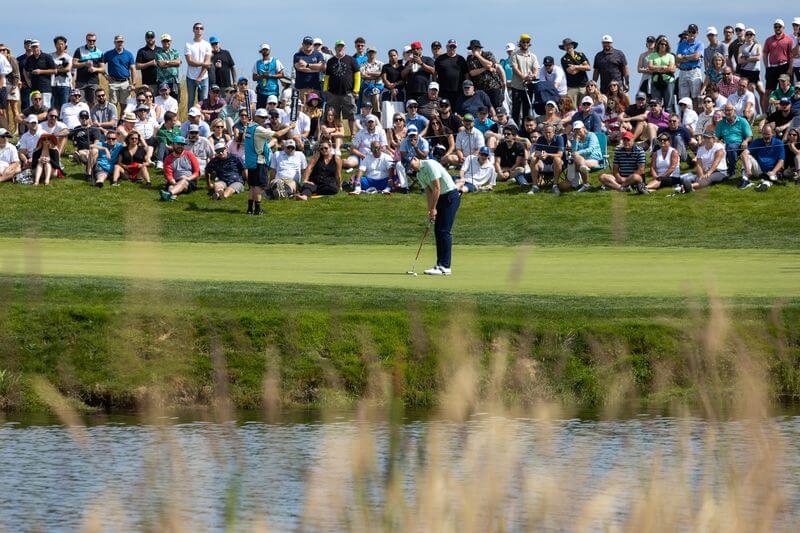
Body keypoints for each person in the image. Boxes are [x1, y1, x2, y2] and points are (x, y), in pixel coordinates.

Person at [403, 157, 460, 276]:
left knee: (444, 231)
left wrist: (434, 208)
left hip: (450, 196)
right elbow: (429, 192)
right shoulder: (419, 175)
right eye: (408, 166)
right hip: (440, 198)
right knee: (438, 231)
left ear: (415, 159)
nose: (410, 167)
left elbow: (437, 188)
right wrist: (430, 210)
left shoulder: (430, 164)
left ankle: (445, 266)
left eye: (410, 163)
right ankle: (440, 265)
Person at [324, 40, 360, 135]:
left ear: (344, 48)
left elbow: (357, 75)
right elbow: (327, 77)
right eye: (338, 47)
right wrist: (325, 90)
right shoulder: (330, 61)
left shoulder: (351, 60)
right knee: (333, 114)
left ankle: (352, 135)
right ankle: (336, 134)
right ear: (335, 48)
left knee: (351, 115)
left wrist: (356, 90)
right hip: (333, 93)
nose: (340, 48)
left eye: (342, 47)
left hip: (348, 93)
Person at [763, 19, 794, 114]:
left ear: (783, 28)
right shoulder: (769, 40)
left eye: (779, 26)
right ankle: (766, 113)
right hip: (772, 67)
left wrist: (790, 68)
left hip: (784, 66)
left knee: (787, 88)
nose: (777, 28)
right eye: (775, 26)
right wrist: (767, 67)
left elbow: (791, 55)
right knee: (768, 91)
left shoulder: (788, 40)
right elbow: (765, 53)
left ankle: (790, 110)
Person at [508, 34, 539, 124]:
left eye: (527, 42)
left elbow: (536, 68)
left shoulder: (533, 56)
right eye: (523, 42)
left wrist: (533, 76)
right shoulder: (515, 54)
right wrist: (523, 76)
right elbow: (514, 68)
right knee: (516, 110)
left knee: (527, 110)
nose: (525, 43)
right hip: (517, 86)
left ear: (529, 44)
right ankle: (514, 130)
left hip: (528, 86)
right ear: (520, 43)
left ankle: (525, 130)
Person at [742, 125, 784, 191]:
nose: (766, 136)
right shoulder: (757, 141)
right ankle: (745, 180)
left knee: (771, 178)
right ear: (761, 133)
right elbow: (744, 153)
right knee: (746, 156)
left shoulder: (779, 143)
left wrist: (773, 171)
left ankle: (765, 184)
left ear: (773, 133)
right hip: (759, 170)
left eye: (768, 134)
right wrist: (748, 169)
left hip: (771, 171)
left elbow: (781, 160)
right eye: (764, 134)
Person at [100, 35, 136, 112]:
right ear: (114, 42)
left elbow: (133, 69)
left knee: (125, 106)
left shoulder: (129, 54)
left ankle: (122, 122)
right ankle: (113, 123)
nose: (120, 43)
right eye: (118, 42)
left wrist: (133, 83)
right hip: (113, 83)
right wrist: (106, 76)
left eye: (121, 42)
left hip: (125, 83)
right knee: (113, 106)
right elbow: (101, 66)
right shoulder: (108, 54)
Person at [716, 103, 752, 179]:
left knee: (731, 147)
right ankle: (718, 171)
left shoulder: (742, 121)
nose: (727, 112)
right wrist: (717, 142)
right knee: (716, 147)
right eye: (726, 110)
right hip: (725, 145)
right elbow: (716, 137)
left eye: (729, 110)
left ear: (734, 111)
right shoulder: (721, 123)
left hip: (739, 144)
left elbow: (750, 136)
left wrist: (745, 141)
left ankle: (732, 171)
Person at [466, 40, 505, 110]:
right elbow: (472, 73)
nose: (473, 50)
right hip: (480, 89)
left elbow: (490, 64)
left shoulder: (488, 54)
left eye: (475, 48)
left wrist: (478, 56)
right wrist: (485, 69)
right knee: (483, 109)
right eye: (472, 48)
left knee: (497, 107)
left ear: (479, 48)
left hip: (493, 87)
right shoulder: (469, 59)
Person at [528, 124, 564, 194]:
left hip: (554, 164)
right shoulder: (540, 139)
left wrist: (547, 154)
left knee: (557, 159)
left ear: (554, 133)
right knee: (534, 159)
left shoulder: (559, 138)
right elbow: (536, 153)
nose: (547, 134)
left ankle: (555, 186)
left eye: (549, 132)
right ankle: (535, 186)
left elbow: (560, 154)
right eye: (545, 132)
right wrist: (541, 155)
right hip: (543, 163)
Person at [162, 136, 200, 201]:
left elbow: (197, 172)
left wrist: (188, 178)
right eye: (178, 144)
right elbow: (169, 175)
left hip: (188, 180)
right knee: (171, 186)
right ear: (173, 144)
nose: (180, 146)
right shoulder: (168, 158)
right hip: (175, 180)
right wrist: (174, 182)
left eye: (182, 145)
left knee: (183, 182)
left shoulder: (189, 155)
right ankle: (172, 197)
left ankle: (169, 194)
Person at [566, 121, 602, 192]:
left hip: (595, 159)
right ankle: (577, 184)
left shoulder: (591, 135)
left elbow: (590, 149)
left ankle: (581, 184)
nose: (577, 131)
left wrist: (578, 153)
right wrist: (576, 141)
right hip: (581, 160)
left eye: (579, 129)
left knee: (575, 162)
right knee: (576, 161)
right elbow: (573, 152)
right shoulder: (575, 138)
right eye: (575, 130)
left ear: (583, 128)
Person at [184, 22, 212, 110]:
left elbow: (207, 62)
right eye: (196, 28)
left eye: (201, 28)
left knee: (204, 101)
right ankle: (190, 120)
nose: (199, 30)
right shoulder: (188, 44)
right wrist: (203, 64)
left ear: (203, 30)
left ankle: (203, 121)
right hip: (191, 77)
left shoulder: (207, 44)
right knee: (191, 100)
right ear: (193, 30)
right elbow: (189, 61)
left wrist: (200, 77)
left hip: (204, 77)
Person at [675, 24, 705, 109]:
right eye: (690, 31)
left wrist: (684, 57)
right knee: (683, 99)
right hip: (683, 71)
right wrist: (690, 57)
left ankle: (695, 117)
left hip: (694, 71)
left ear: (697, 33)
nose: (691, 33)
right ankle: (685, 117)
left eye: (693, 32)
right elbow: (677, 58)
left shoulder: (700, 44)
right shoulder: (682, 44)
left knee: (695, 97)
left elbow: (696, 57)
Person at [68, 110, 103, 180]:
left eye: (86, 117)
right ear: (79, 119)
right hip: (81, 151)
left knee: (91, 153)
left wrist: (89, 150)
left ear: (89, 118)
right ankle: (92, 167)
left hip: (91, 150)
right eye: (82, 117)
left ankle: (88, 173)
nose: (84, 119)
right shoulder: (76, 129)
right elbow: (73, 140)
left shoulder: (94, 129)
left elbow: (97, 142)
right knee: (81, 153)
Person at [23, 40, 57, 108]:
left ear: (39, 47)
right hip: (33, 88)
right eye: (33, 47)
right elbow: (25, 70)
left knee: (45, 107)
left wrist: (41, 71)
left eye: (36, 47)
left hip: (45, 88)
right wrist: (28, 80)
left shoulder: (47, 57)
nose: (35, 49)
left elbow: (54, 70)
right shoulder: (29, 59)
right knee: (33, 108)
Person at [72, 33, 103, 106]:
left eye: (93, 40)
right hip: (81, 81)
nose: (92, 42)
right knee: (80, 103)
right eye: (90, 40)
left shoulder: (99, 52)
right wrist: (84, 63)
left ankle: (92, 117)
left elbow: (102, 69)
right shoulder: (79, 50)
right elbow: (74, 64)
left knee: (94, 103)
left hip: (93, 81)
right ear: (86, 40)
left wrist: (95, 69)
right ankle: (82, 117)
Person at [738, 29, 764, 113]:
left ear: (754, 36)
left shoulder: (757, 46)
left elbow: (758, 58)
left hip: (755, 72)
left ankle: (763, 112)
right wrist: (751, 59)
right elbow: (739, 60)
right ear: (745, 36)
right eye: (747, 34)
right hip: (745, 71)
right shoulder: (741, 47)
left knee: (762, 92)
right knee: (750, 90)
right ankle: (754, 112)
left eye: (751, 34)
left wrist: (745, 58)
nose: (749, 36)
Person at [294, 36, 326, 104]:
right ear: (302, 44)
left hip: (315, 88)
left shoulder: (318, 55)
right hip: (301, 88)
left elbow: (321, 66)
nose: (307, 45)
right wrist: (316, 69)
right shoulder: (297, 55)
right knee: (302, 110)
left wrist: (307, 65)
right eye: (306, 43)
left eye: (309, 43)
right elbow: (300, 68)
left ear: (312, 45)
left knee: (314, 111)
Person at [434, 39, 467, 105]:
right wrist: (436, 85)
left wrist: (465, 86)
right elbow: (434, 73)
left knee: (457, 110)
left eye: (454, 47)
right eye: (450, 46)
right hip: (443, 91)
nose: (452, 48)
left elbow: (466, 74)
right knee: (444, 109)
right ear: (446, 47)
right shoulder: (440, 59)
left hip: (458, 91)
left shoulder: (461, 59)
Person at [252, 43, 284, 109]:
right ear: (260, 51)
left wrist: (270, 76)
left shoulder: (276, 61)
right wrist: (262, 76)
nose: (265, 51)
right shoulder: (257, 63)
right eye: (263, 50)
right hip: (262, 92)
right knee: (261, 110)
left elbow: (281, 74)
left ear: (269, 51)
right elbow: (254, 77)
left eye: (266, 49)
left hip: (273, 91)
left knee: (273, 111)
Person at [560, 38, 590, 106]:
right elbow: (572, 72)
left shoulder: (581, 54)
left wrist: (575, 66)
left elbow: (588, 67)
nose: (568, 47)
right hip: (572, 87)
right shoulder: (564, 59)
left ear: (573, 45)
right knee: (572, 109)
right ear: (564, 48)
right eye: (566, 45)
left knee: (584, 107)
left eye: (569, 45)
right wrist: (582, 66)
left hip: (583, 86)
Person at [49, 36, 72, 113]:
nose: (60, 46)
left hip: (65, 85)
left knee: (64, 106)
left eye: (62, 44)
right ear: (55, 45)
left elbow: (68, 69)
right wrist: (59, 69)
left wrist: (55, 69)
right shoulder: (50, 56)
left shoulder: (69, 57)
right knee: (53, 107)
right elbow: (48, 68)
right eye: (58, 44)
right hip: (52, 84)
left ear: (65, 45)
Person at [156, 34, 181, 101]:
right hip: (163, 81)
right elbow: (161, 64)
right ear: (161, 42)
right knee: (162, 100)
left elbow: (178, 62)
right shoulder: (158, 53)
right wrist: (173, 63)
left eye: (168, 41)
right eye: (164, 41)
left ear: (170, 41)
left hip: (174, 81)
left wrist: (166, 62)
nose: (166, 42)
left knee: (176, 101)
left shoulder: (175, 52)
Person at [359, 46, 384, 111]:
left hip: (377, 87)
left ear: (375, 53)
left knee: (377, 106)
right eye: (369, 52)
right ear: (366, 53)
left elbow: (382, 74)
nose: (371, 54)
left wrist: (369, 72)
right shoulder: (362, 64)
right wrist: (376, 75)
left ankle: (377, 120)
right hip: (366, 88)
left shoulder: (380, 64)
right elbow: (363, 75)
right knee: (366, 106)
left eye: (373, 52)